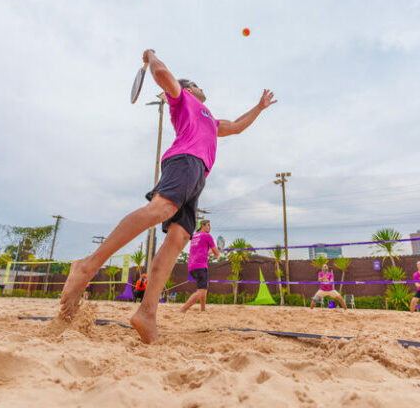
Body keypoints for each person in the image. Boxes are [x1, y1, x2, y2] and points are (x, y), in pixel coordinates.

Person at [60, 48, 277, 343]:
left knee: (178, 238)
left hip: (198, 174)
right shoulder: (183, 98)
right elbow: (163, 76)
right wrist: (150, 56)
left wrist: (259, 107)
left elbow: (237, 126)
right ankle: (87, 266)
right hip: (183, 161)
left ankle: (147, 312)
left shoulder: (211, 121)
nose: (201, 87)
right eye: (196, 83)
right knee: (160, 209)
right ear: (189, 88)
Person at [180, 219, 220, 313]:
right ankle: (183, 309)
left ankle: (202, 310)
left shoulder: (195, 236)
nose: (210, 227)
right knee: (201, 291)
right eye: (208, 225)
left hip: (192, 266)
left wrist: (214, 251)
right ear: (203, 225)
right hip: (201, 266)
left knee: (204, 288)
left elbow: (205, 253)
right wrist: (217, 253)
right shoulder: (207, 236)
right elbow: (216, 254)